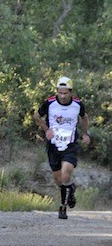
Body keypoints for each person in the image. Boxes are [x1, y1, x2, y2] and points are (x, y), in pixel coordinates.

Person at [33, 76, 91, 220]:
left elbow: (84, 117)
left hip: (70, 144)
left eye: (66, 93)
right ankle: (70, 189)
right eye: (60, 92)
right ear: (57, 91)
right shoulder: (49, 102)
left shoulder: (78, 104)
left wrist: (85, 134)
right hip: (53, 145)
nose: (63, 96)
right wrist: (46, 129)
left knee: (66, 174)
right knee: (59, 179)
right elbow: (36, 116)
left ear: (70, 92)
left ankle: (62, 208)